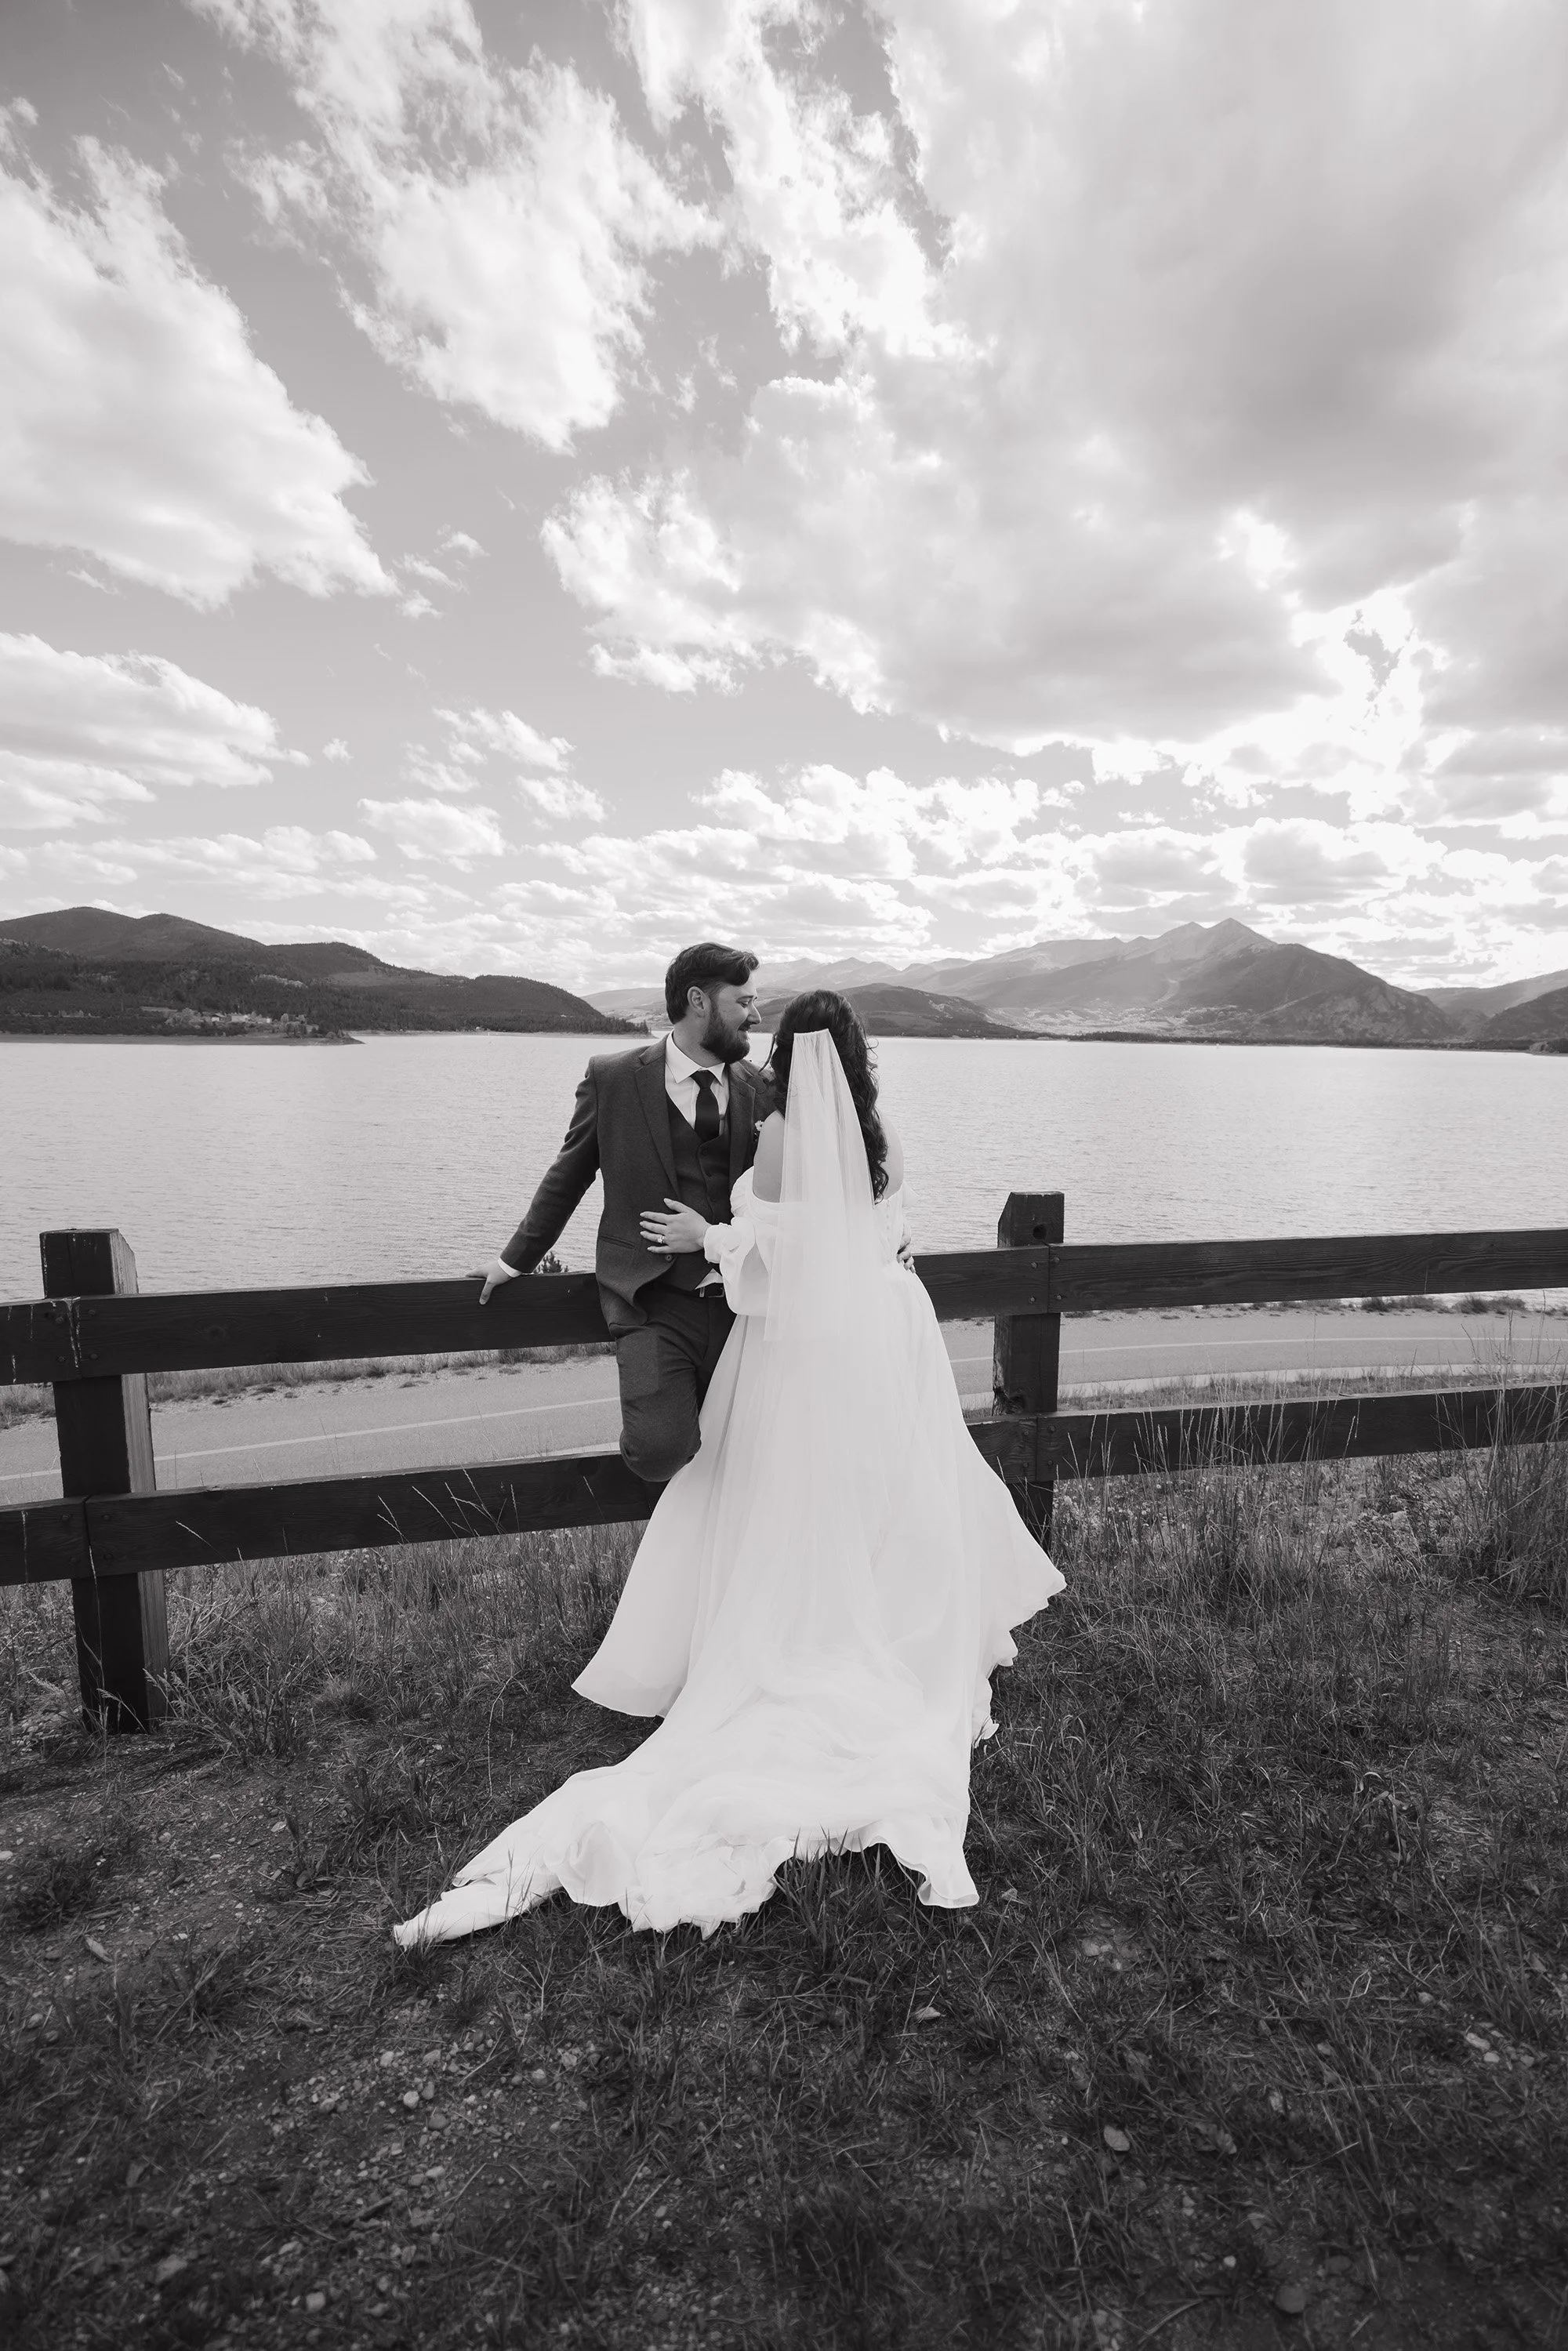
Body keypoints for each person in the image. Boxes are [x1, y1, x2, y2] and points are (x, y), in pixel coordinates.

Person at [395, 992, 1062, 1945]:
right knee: (878, 1488)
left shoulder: (785, 1128)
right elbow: (869, 1232)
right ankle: (877, 1616)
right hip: (887, 1329)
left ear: (790, 1055)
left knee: (789, 1495)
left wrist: (706, 1239)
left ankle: (799, 1634)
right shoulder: (879, 1130)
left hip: (805, 1344)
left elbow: (789, 1250)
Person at [478, 941, 768, 1487]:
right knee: (661, 1448)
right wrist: (513, 1261)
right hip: (652, 1302)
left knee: (750, 1460)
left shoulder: (759, 1087)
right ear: (698, 1001)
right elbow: (569, 1174)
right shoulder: (613, 1079)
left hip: (742, 1305)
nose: (756, 1015)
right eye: (744, 1002)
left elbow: (786, 1192)